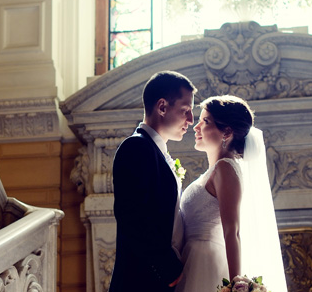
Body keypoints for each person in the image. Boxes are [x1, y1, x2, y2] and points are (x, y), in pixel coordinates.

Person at [175, 95, 287, 292]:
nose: (196, 127)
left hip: (205, 264)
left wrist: (236, 284)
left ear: (226, 131)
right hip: (192, 259)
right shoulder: (216, 169)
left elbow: (232, 231)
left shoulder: (226, 168)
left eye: (205, 121)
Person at [109, 71, 196, 292]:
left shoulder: (155, 151)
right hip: (141, 281)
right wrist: (168, 269)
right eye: (186, 110)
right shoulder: (136, 147)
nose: (191, 120)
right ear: (162, 107)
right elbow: (133, 217)